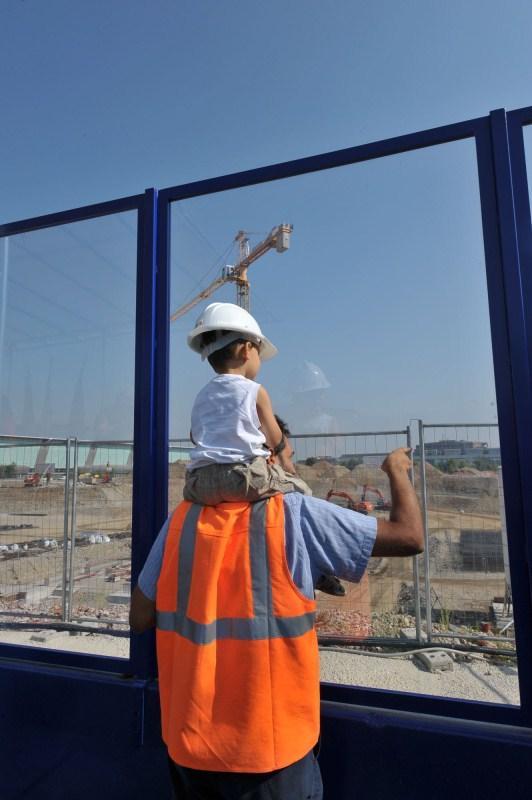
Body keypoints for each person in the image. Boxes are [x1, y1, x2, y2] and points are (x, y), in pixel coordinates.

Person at [130, 439, 423, 800]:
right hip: (268, 758)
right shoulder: (294, 513)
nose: (294, 460)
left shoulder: (181, 519)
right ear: (266, 456)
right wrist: (396, 469)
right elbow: (409, 536)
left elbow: (140, 616)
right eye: (287, 450)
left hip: (190, 748)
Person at [183, 302, 311, 505]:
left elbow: (195, 436)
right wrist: (285, 462)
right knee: (300, 490)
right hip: (243, 478)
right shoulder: (255, 391)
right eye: (258, 353)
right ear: (246, 349)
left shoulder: (201, 395)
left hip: (199, 483)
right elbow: (274, 436)